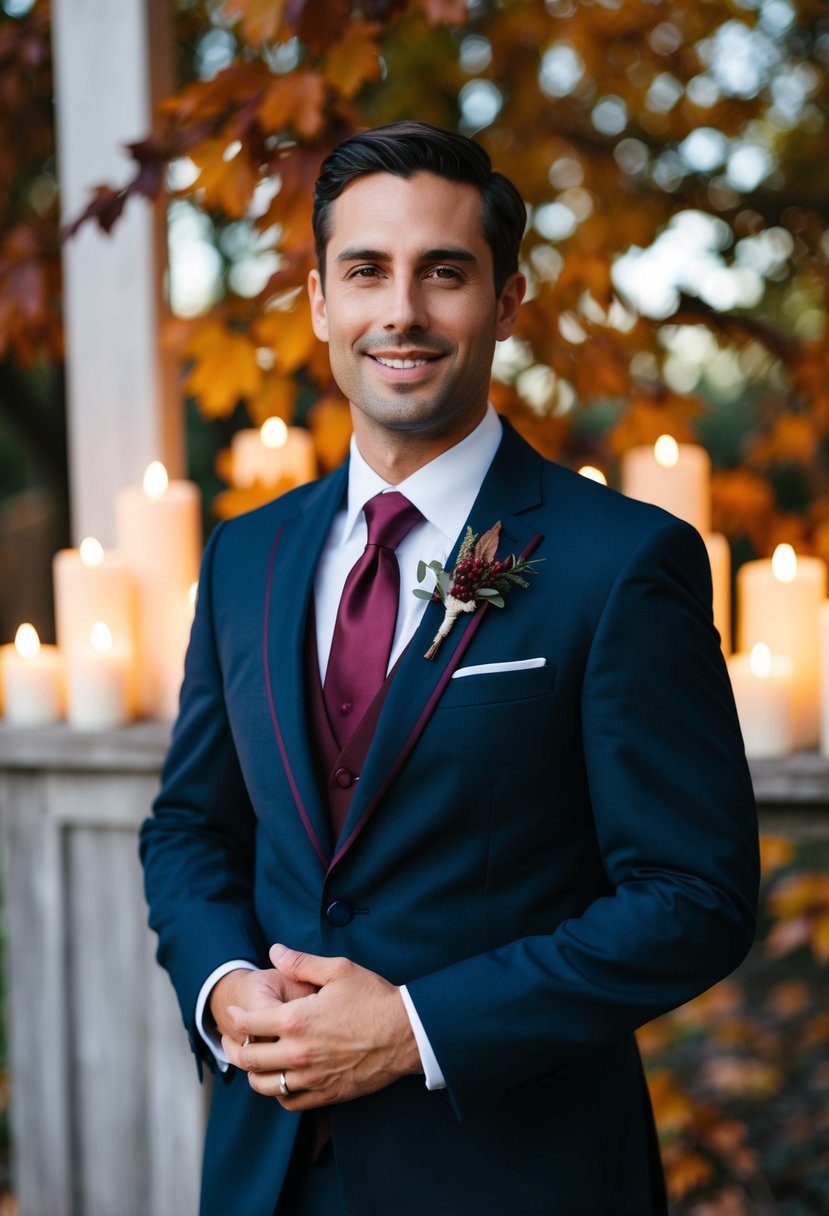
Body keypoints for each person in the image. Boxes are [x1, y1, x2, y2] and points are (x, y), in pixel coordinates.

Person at [140, 120, 759, 1216]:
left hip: (515, 1173)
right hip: (265, 1172)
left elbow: (692, 897)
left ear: (507, 302)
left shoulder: (620, 563)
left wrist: (415, 1027)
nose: (402, 312)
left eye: (445, 273)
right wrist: (224, 985)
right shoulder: (246, 554)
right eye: (366, 271)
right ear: (321, 303)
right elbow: (192, 827)